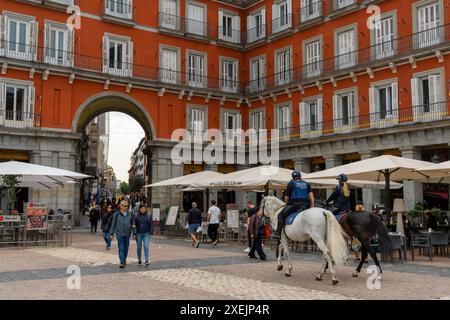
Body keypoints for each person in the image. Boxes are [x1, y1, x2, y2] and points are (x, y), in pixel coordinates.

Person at [274, 170, 314, 239]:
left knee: (280, 215)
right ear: (300, 176)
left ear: (293, 177)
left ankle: (278, 233)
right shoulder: (306, 183)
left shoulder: (291, 183)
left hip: (295, 205)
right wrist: (312, 206)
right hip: (306, 205)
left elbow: (287, 197)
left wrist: (286, 205)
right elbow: (311, 196)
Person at [110, 200, 136, 268]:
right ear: (121, 206)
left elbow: (133, 224)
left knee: (126, 248)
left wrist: (134, 233)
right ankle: (122, 261)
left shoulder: (130, 214)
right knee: (121, 248)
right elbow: (113, 224)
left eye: (127, 206)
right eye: (125, 206)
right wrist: (111, 233)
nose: (126, 207)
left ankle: (124, 259)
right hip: (119, 234)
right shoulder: (116, 214)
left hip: (127, 234)